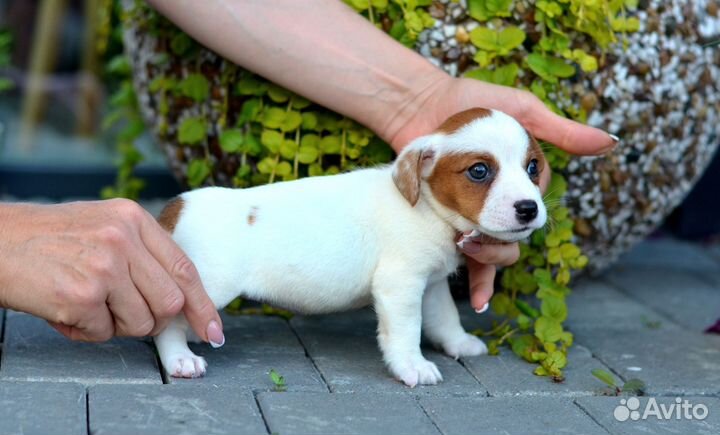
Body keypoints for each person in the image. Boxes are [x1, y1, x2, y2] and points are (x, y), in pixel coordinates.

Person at [0, 0, 616, 344]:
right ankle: (172, 339)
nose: (525, 191)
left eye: (529, 169)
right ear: (417, 171)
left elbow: (429, 280)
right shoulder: (409, 189)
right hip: (241, 226)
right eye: (483, 171)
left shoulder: (430, 196)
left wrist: (417, 96)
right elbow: (401, 283)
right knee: (211, 277)